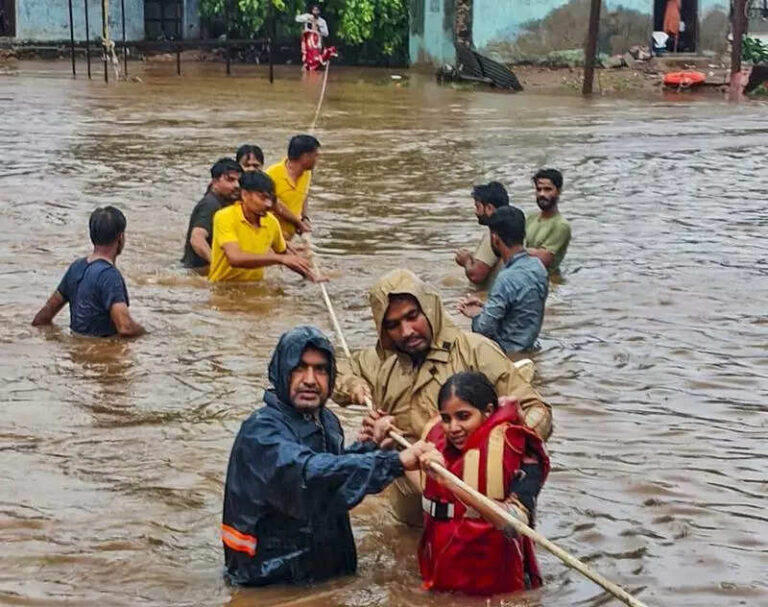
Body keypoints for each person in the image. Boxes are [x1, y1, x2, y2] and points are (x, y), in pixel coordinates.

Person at [333, 268, 552, 525]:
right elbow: (334, 371)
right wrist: (355, 387)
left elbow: (538, 411)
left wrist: (495, 444)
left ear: (429, 307)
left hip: (478, 514)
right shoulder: (380, 362)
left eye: (412, 317)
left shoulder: (475, 351)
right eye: (393, 325)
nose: (406, 332)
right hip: (411, 515)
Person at [221, 326, 435, 586]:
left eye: (321, 369)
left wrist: (372, 447)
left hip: (324, 575)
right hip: (271, 584)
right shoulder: (260, 433)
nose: (311, 379)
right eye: (300, 368)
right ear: (281, 372)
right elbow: (309, 475)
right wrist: (394, 462)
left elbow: (335, 484)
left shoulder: (327, 421)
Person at [366, 372, 549, 596]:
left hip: (495, 583)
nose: (453, 428)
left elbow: (517, 523)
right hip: (441, 575)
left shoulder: (522, 453)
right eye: (446, 418)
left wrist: (454, 485)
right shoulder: (440, 444)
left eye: (463, 416)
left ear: (488, 411)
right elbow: (428, 491)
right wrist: (390, 452)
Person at [32, 206, 145, 337]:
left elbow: (41, 319)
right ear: (120, 238)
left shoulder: (76, 268)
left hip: (75, 354)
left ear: (92, 236)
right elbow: (125, 327)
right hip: (101, 355)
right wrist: (147, 334)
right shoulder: (110, 276)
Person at [459, 206, 548, 354]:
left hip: (505, 354)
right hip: (530, 348)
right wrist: (486, 308)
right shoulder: (538, 267)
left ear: (495, 238)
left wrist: (476, 315)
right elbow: (520, 312)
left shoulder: (506, 278)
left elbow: (483, 329)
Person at [208, 171, 321, 283]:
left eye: (270, 199)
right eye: (263, 198)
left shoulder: (271, 222)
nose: (268, 204)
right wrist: (279, 259)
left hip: (254, 286)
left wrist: (310, 275)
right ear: (245, 195)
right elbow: (235, 258)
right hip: (222, 287)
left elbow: (284, 254)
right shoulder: (224, 217)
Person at [181, 158, 242, 271]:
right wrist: (217, 265)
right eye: (230, 180)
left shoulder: (225, 203)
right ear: (214, 182)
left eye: (239, 181)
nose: (237, 185)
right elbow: (197, 238)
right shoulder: (210, 204)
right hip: (197, 272)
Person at [454, 181, 509, 287]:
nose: (476, 212)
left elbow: (476, 275)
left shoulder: (495, 233)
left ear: (489, 208)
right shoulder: (514, 227)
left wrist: (465, 260)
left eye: (478, 207)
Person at [265, 135, 319, 241]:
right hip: (271, 237)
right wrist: (298, 223)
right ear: (305, 157)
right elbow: (276, 205)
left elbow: (304, 194)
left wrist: (304, 217)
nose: (317, 160)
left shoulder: (306, 174)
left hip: (290, 236)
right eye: (315, 155)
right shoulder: (271, 174)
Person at [525, 168, 571, 276]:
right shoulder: (531, 218)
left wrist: (515, 250)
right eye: (539, 189)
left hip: (546, 281)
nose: (542, 194)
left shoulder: (561, 225)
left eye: (547, 189)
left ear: (558, 191)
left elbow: (543, 259)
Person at [295, 4, 337, 71]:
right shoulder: (308, 17)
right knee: (306, 61)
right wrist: (307, 19)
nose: (315, 12)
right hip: (307, 42)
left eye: (317, 10)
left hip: (317, 42)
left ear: (319, 12)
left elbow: (326, 34)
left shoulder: (322, 22)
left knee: (317, 59)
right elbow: (297, 19)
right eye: (314, 10)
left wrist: (318, 28)